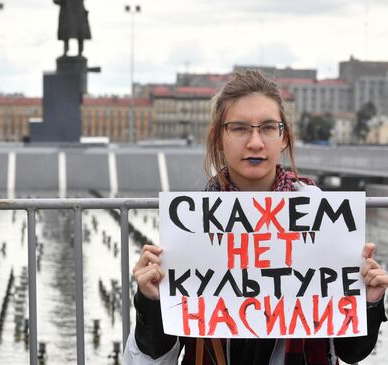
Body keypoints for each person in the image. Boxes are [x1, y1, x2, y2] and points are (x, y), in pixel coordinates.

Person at [128, 70, 388, 364]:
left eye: (267, 128)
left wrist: (370, 301)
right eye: (239, 128)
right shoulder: (189, 228)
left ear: (284, 137)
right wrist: (150, 300)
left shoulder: (325, 220)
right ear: (218, 138)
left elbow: (351, 352)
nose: (255, 142)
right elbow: (156, 349)